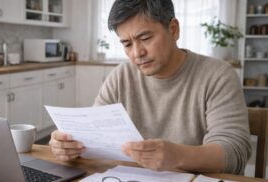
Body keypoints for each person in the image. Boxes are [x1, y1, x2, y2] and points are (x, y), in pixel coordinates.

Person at [49, 0, 251, 174]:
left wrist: (178, 156)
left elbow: (234, 152)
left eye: (145, 38)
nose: (137, 53)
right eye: (127, 44)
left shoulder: (218, 75)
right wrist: (68, 146)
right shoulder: (121, 77)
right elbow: (94, 137)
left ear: (173, 30)